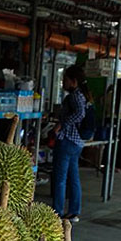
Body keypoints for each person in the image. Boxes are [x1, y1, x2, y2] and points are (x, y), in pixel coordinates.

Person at [51, 65, 91, 221]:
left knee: (60, 178)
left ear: (73, 81)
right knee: (73, 177)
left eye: (65, 79)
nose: (63, 82)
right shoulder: (83, 95)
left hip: (67, 141)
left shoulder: (75, 96)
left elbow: (79, 114)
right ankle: (74, 211)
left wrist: (61, 125)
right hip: (77, 143)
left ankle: (57, 212)